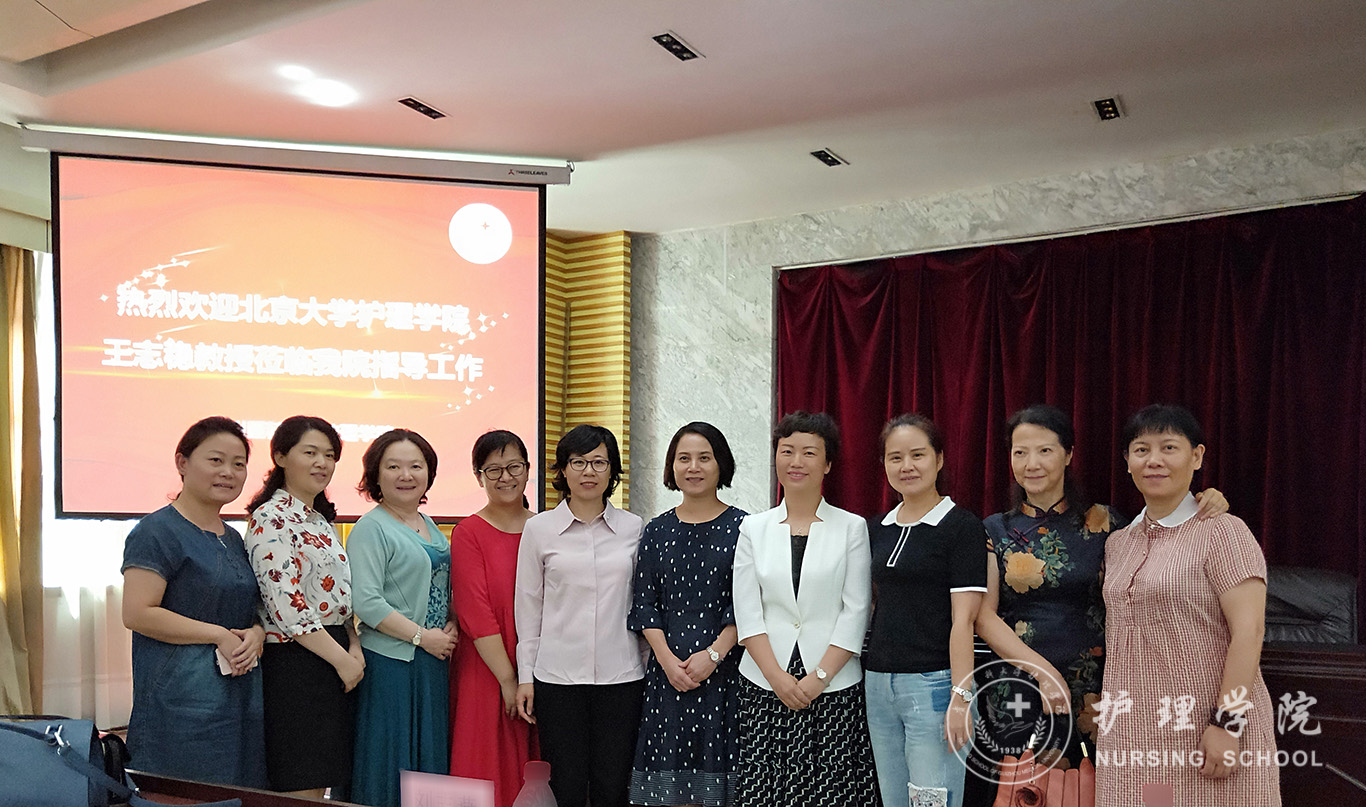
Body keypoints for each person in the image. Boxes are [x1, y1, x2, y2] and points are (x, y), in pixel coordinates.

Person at [975, 405, 1228, 772]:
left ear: (1068, 454)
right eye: (1020, 452)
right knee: (1021, 789)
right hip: (1019, 683)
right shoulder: (993, 528)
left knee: (1092, 788)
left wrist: (1206, 499)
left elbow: (1166, 538)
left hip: (1098, 687)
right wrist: (1042, 672)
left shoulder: (1107, 523)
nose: (1032, 463)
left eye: (1045, 450)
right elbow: (984, 616)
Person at [1097, 404, 1279, 806]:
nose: (1154, 460)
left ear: (1196, 457)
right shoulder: (1118, 543)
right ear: (1127, 461)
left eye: (1169, 447)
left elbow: (1249, 631)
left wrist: (1227, 723)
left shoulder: (1223, 532)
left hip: (1206, 726)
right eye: (1141, 449)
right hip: (1133, 729)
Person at [731, 411, 877, 807]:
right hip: (764, 683)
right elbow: (748, 612)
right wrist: (776, 677)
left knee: (831, 789)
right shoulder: (753, 528)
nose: (796, 461)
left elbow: (856, 610)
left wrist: (818, 678)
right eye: (787, 451)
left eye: (809, 453)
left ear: (827, 464)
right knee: (765, 789)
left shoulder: (851, 527)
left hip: (832, 684)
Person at [121, 416, 267, 788]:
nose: (228, 472)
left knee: (240, 788)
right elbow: (137, 613)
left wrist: (257, 632)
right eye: (216, 460)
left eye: (238, 464)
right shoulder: (156, 531)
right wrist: (217, 634)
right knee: (183, 790)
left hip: (239, 693)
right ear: (182, 462)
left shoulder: (234, 538)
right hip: (179, 699)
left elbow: (245, 605)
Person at [514, 424, 645, 807]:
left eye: (599, 462)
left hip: (622, 678)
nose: (589, 471)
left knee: (612, 785)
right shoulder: (539, 529)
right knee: (566, 785)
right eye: (579, 462)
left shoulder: (634, 528)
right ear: (563, 470)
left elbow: (642, 603)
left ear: (612, 470)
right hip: (558, 679)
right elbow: (529, 606)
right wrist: (526, 676)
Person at [864, 414, 985, 807]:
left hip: (934, 685)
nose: (907, 466)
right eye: (895, 457)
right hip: (878, 685)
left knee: (933, 800)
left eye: (918, 455)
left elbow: (965, 620)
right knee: (893, 799)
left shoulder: (961, 527)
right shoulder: (877, 528)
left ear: (939, 459)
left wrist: (961, 697)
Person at [629, 422, 747, 807]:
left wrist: (713, 656)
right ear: (672, 466)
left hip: (725, 673)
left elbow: (748, 604)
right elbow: (644, 604)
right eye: (684, 458)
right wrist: (666, 661)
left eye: (704, 458)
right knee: (671, 791)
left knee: (719, 789)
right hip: (668, 676)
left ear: (721, 464)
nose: (693, 467)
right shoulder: (656, 530)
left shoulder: (745, 528)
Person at [245, 415, 360, 798]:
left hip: (331, 655)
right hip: (296, 664)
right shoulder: (270, 518)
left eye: (329, 455)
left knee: (321, 780)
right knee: (300, 784)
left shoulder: (320, 520)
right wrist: (343, 660)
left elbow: (341, 599)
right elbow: (287, 606)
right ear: (280, 457)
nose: (321, 463)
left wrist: (353, 647)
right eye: (310, 453)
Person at [348, 428, 457, 807]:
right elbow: (366, 602)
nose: (406, 475)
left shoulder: (429, 524)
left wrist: (452, 624)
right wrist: (422, 637)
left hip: (432, 663)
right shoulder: (370, 527)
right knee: (391, 764)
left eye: (416, 466)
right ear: (375, 475)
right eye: (393, 466)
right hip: (391, 664)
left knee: (428, 770)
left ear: (429, 473)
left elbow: (440, 586)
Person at [449, 429, 539, 807]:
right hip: (487, 668)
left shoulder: (545, 527)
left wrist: (528, 674)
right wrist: (508, 678)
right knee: (485, 769)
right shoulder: (468, 532)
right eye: (494, 470)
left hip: (540, 664)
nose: (506, 477)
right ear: (479, 476)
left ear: (527, 469)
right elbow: (475, 612)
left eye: (514, 467)